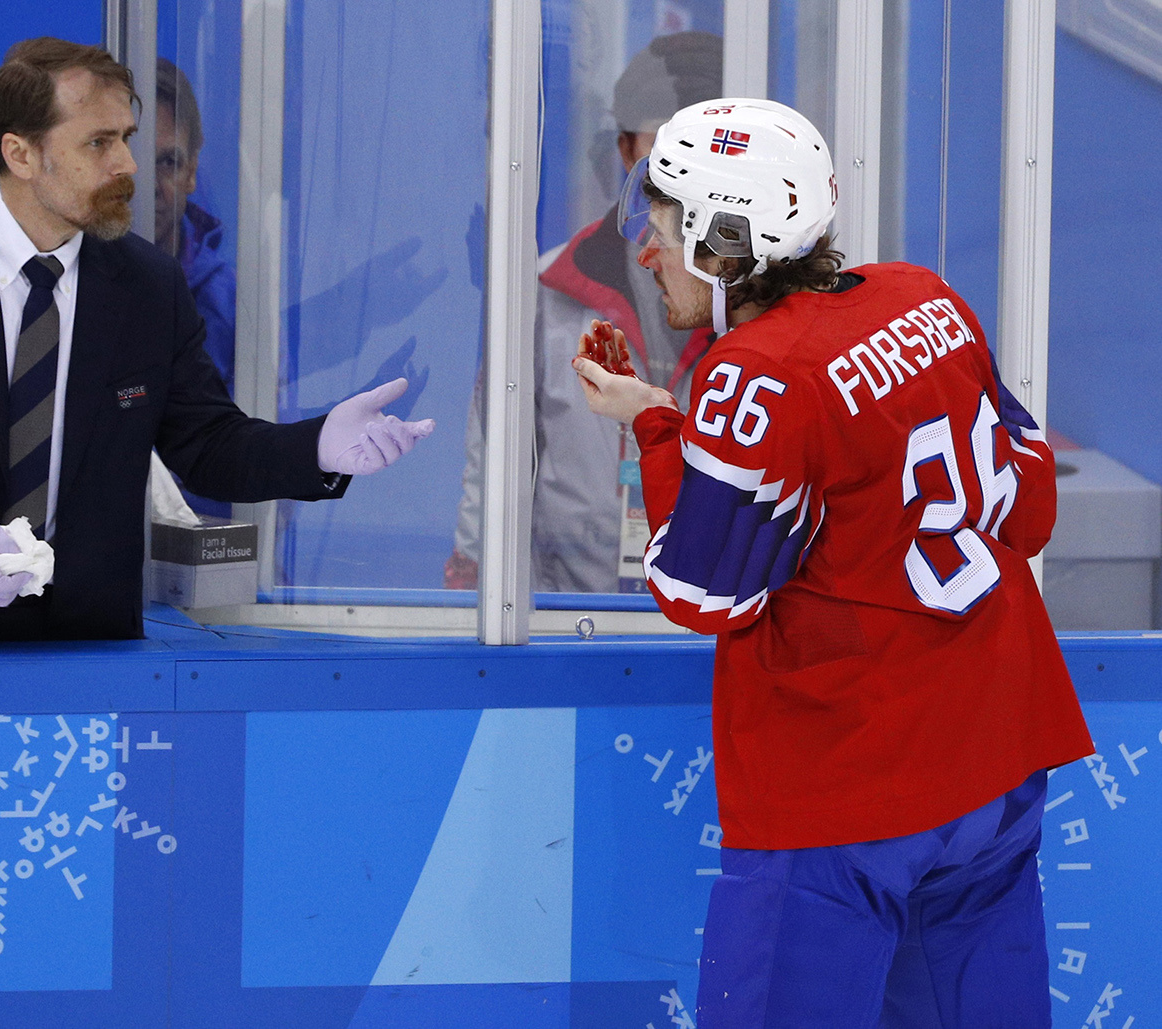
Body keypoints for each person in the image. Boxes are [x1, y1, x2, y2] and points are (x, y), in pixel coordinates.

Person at [573, 97, 1091, 1025]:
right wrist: (670, 413)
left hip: (848, 792)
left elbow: (703, 589)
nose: (645, 252)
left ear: (727, 240)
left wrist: (660, 433)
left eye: (660, 227)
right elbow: (1031, 501)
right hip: (998, 754)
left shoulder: (756, 371)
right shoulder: (923, 297)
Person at [0, 38, 432, 644]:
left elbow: (207, 444)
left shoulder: (147, 287)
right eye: (99, 143)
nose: (127, 164)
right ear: (21, 153)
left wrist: (319, 445)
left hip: (74, 651)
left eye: (128, 139)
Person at [447, 32, 720, 595]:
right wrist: (474, 578)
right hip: (569, 621)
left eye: (701, 148)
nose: (679, 170)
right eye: (662, 145)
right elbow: (496, 455)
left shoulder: (762, 306)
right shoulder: (546, 288)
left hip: (715, 616)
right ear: (624, 149)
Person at [153, 57, 235, 398]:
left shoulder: (228, 302)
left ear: (191, 172)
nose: (150, 185)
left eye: (168, 162)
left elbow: (261, 436)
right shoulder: (53, 284)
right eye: (131, 157)